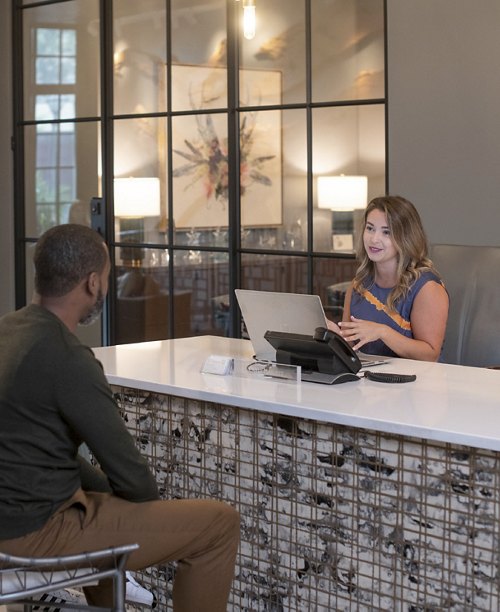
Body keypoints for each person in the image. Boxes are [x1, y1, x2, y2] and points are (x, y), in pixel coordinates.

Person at [0, 224, 240, 611]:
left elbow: (40, 446)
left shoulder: (7, 331)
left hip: (16, 520)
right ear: (93, 283)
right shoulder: (69, 358)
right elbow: (133, 478)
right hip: (31, 534)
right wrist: (136, 506)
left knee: (103, 511)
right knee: (218, 523)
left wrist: (106, 497)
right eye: (109, 278)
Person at [328, 195, 449, 361]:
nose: (374, 239)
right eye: (370, 228)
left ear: (406, 237)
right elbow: (352, 348)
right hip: (367, 381)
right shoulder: (358, 285)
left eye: (387, 232)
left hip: (417, 382)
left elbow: (430, 354)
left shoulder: (427, 288)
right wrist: (335, 336)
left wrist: (382, 332)